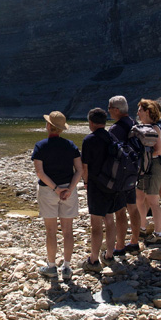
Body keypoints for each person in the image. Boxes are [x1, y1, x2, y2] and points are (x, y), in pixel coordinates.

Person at [32, 111, 82, 280]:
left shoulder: (40, 146)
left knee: (51, 231)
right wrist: (68, 189)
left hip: (48, 191)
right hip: (69, 191)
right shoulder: (71, 146)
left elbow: (40, 172)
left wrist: (55, 189)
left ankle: (52, 267)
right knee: (68, 231)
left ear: (48, 126)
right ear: (61, 129)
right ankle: (67, 268)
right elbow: (79, 170)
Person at [80, 108, 127, 273]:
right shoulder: (111, 137)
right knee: (110, 219)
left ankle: (93, 260)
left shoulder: (89, 140)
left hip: (96, 186)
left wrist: (85, 182)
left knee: (96, 225)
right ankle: (109, 254)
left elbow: (84, 166)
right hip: (113, 185)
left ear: (91, 123)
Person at [107, 96, 142, 256]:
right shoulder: (135, 124)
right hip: (134, 172)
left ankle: (120, 246)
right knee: (133, 207)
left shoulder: (115, 130)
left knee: (120, 211)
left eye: (109, 108)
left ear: (116, 110)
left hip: (120, 175)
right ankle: (134, 242)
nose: (108, 111)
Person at [135, 99, 161, 244]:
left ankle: (158, 233)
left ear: (147, 111)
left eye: (140, 110)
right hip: (143, 167)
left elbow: (159, 150)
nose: (138, 113)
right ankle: (142, 226)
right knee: (139, 198)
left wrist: (143, 157)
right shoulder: (141, 127)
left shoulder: (156, 128)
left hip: (154, 166)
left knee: (153, 201)